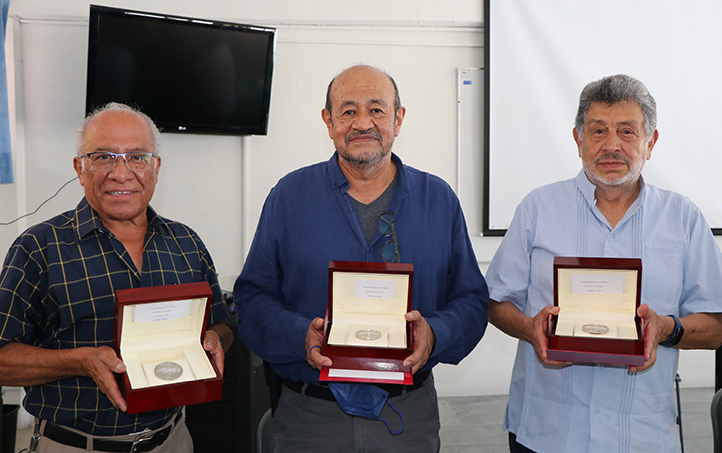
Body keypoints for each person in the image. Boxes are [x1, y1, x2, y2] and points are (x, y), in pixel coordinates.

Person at [233, 64, 488, 451]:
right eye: (348, 110)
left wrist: (435, 333)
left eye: (377, 110)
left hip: (407, 419)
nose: (362, 123)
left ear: (398, 119)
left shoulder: (440, 200)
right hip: (309, 417)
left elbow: (471, 300)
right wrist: (299, 334)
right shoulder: (288, 197)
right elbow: (252, 300)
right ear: (329, 120)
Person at [486, 74, 722, 453]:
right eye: (598, 131)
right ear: (578, 140)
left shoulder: (683, 218)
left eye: (627, 132)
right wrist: (532, 329)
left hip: (641, 434)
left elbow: (716, 326)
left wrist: (666, 329)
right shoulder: (537, 209)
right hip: (546, 431)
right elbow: (495, 302)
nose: (611, 145)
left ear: (651, 142)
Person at [0, 103, 233, 453]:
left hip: (174, 440)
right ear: (80, 168)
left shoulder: (186, 243)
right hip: (75, 446)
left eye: (137, 157)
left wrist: (217, 337)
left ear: (156, 168)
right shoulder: (38, 248)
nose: (121, 173)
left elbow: (223, 326)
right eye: (104, 157)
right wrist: (81, 361)